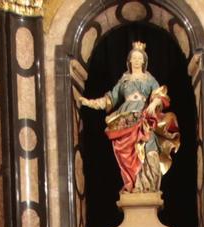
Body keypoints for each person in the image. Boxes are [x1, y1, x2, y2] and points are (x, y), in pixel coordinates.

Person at [74, 41, 180, 193]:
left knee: (151, 154)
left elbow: (161, 95)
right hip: (126, 120)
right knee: (129, 155)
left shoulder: (149, 79)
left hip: (144, 120)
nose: (136, 61)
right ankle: (135, 186)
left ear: (144, 61)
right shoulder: (124, 80)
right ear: (129, 61)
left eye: (139, 58)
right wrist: (90, 102)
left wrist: (153, 103)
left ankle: (150, 189)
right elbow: (110, 99)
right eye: (134, 58)